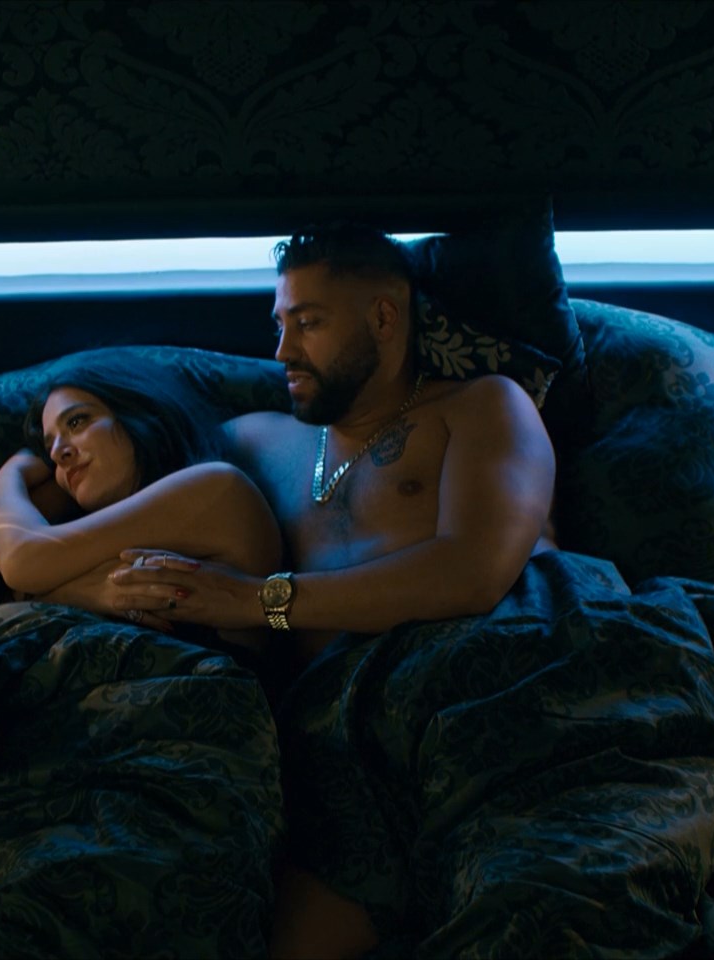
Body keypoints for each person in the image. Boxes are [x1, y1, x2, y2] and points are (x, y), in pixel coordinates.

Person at [106, 223, 558, 958]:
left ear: (383, 317)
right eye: (280, 326)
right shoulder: (256, 440)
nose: (283, 352)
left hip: (501, 692)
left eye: (308, 323)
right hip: (346, 751)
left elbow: (473, 573)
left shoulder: (481, 406)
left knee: (539, 914)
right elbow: (107, 456)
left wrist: (257, 600)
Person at [0, 356, 281, 658]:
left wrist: (10, 473)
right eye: (49, 448)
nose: (59, 452)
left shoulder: (216, 488)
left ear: (139, 411)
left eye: (77, 421)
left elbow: (22, 560)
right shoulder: (92, 526)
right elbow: (16, 581)